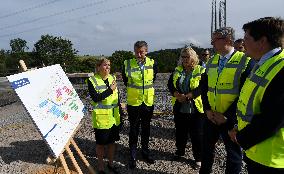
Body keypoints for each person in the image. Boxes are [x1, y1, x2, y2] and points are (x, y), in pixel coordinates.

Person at [229, 17, 284, 174]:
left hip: (271, 159)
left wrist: (240, 137)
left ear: (262, 41)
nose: (242, 43)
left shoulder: (281, 68)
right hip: (257, 151)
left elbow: (273, 119)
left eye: (246, 38)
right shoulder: (264, 63)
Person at [199, 27, 253, 174]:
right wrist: (207, 109)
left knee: (234, 155)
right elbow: (204, 87)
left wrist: (228, 116)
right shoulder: (211, 62)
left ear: (228, 40)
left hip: (231, 119)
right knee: (207, 150)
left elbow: (245, 94)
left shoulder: (245, 61)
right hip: (211, 116)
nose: (212, 42)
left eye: (215, 39)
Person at [167, 46, 205, 170]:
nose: (184, 59)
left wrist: (188, 96)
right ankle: (180, 152)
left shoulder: (200, 70)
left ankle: (198, 158)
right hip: (179, 107)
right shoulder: (177, 70)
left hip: (196, 109)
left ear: (193, 57)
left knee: (197, 134)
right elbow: (170, 85)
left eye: (187, 56)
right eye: (182, 57)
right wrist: (176, 94)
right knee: (180, 132)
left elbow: (203, 87)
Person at [122, 41, 158, 169]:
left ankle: (145, 152)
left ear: (146, 51)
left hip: (147, 101)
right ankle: (132, 155)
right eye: (136, 51)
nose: (138, 54)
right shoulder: (127, 64)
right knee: (133, 129)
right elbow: (126, 81)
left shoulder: (153, 63)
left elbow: (152, 79)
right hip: (134, 102)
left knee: (146, 128)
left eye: (141, 51)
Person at [87, 58, 121, 174]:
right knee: (101, 145)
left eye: (109, 65)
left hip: (113, 118)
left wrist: (121, 112)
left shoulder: (113, 78)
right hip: (101, 119)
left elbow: (117, 98)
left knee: (112, 143)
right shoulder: (92, 80)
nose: (108, 67)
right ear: (98, 67)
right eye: (105, 65)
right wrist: (110, 90)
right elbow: (96, 98)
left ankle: (111, 164)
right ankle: (101, 168)